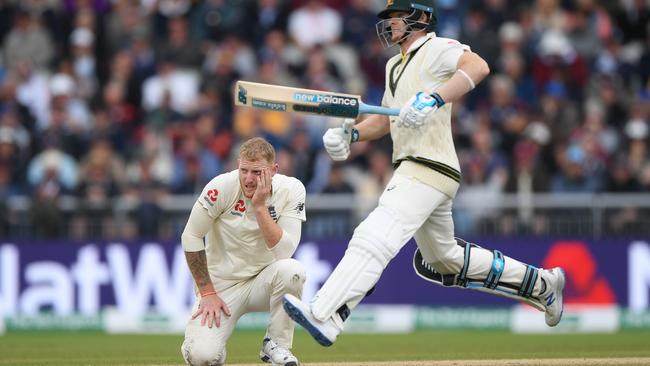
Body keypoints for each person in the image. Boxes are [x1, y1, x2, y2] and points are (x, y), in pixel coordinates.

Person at [282, 0, 566, 347]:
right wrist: (352, 134)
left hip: (427, 164)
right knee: (445, 259)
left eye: (395, 17)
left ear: (419, 17)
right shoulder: (392, 66)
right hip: (418, 167)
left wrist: (433, 98)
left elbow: (477, 67)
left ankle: (326, 314)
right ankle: (542, 284)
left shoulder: (437, 47)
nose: (389, 24)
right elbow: (386, 118)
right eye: (387, 18)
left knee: (374, 234)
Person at [180, 137, 306, 365]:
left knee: (293, 271)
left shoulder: (292, 189)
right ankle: (205, 347)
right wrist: (207, 292)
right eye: (243, 170)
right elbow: (191, 236)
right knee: (203, 357)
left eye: (257, 172)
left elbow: (284, 251)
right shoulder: (221, 187)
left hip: (264, 280)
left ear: (274, 170)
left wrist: (259, 207)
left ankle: (276, 345)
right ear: (237, 164)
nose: (248, 179)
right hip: (221, 286)